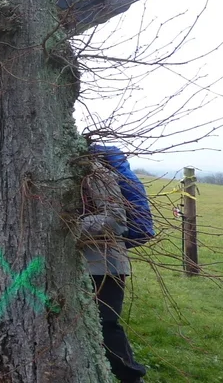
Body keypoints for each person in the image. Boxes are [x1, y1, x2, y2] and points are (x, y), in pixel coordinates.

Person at [80, 152, 148, 383]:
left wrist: (69, 225)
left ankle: (131, 378)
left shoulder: (96, 172)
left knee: (106, 326)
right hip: (86, 264)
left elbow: (116, 220)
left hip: (106, 265)